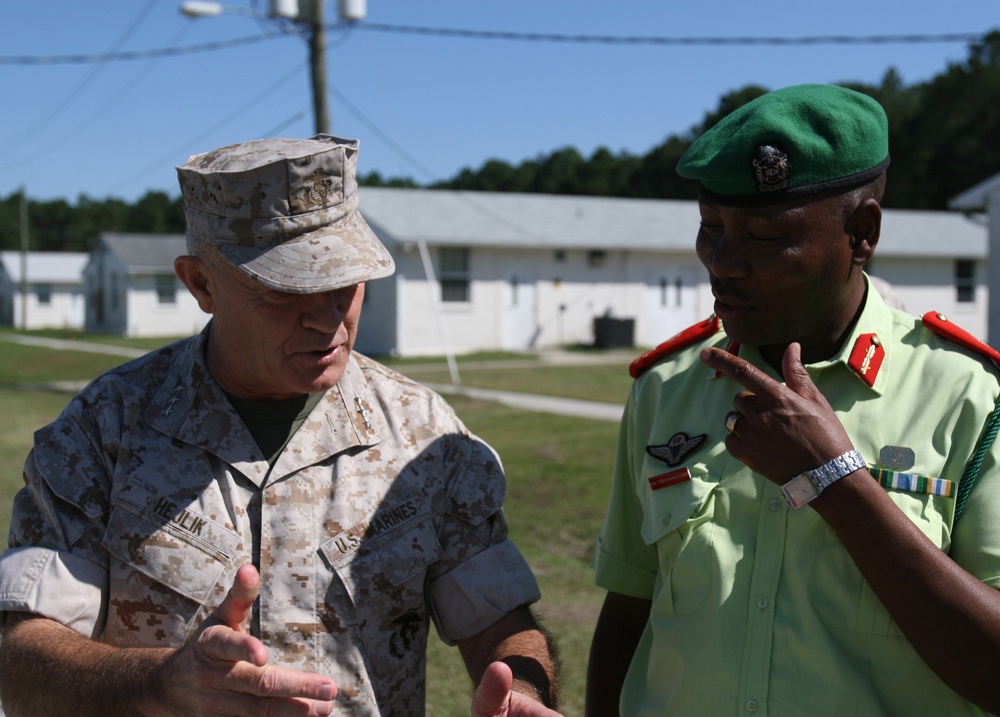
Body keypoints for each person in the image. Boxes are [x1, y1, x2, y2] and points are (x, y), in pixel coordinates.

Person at [0, 135, 562, 717]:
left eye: (344, 281)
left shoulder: (422, 434)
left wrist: (522, 691)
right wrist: (158, 683)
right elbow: (20, 656)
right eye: (284, 288)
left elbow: (499, 617)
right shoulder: (102, 434)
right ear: (201, 284)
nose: (327, 318)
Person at [585, 84, 1000, 716]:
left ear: (861, 235)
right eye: (711, 227)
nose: (723, 262)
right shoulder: (665, 387)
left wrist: (835, 480)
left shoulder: (968, 395)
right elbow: (634, 604)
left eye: (764, 236)